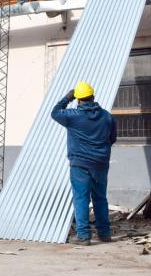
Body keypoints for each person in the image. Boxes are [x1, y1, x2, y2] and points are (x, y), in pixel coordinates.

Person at [51, 82, 117, 246]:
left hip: (80, 164)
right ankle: (104, 234)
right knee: (100, 198)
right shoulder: (107, 116)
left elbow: (54, 112)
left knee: (81, 198)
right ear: (93, 97)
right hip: (101, 163)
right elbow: (112, 139)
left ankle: (84, 236)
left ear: (78, 99)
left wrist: (67, 97)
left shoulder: (72, 116)